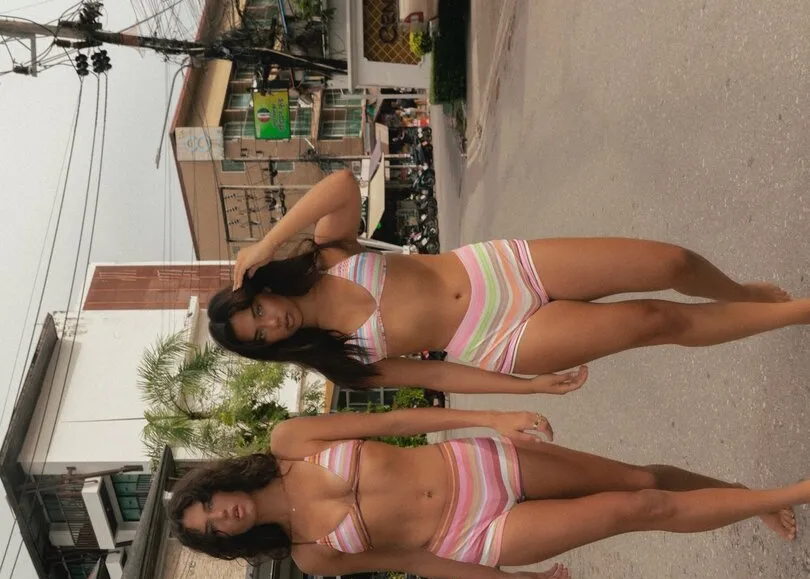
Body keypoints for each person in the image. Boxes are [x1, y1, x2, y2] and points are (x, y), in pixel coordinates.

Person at [205, 169, 804, 396]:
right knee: (654, 321)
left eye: (256, 311)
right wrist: (526, 389)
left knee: (670, 263)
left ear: (261, 290)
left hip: (497, 268)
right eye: (259, 336)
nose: (270, 323)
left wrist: (266, 242)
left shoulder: (329, 255)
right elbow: (438, 376)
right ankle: (797, 311)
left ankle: (742, 294)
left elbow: (340, 186)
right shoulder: (341, 361)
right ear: (269, 348)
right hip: (499, 338)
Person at [166, 406, 803, 579]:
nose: (223, 516)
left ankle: (745, 498)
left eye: (211, 504)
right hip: (474, 535)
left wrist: (490, 416)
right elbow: (415, 562)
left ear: (217, 484)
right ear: (229, 542)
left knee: (637, 479)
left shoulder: (290, 442)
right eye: (214, 529)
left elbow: (393, 422)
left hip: (472, 462)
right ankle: (776, 497)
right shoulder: (310, 555)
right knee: (635, 510)